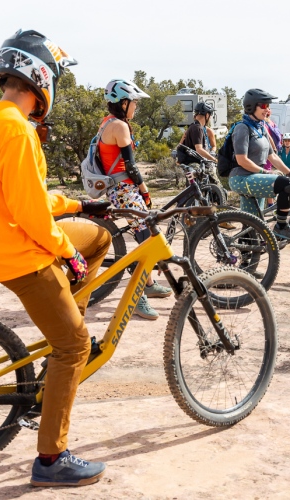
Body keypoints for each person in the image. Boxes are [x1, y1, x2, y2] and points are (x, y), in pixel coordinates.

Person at [0, 29, 110, 486]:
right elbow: (28, 213)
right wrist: (65, 251)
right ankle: (51, 460)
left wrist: (77, 206)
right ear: (41, 75)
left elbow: (25, 197)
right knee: (75, 345)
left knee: (99, 239)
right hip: (19, 252)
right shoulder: (18, 129)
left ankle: (62, 327)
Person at [101, 79, 172, 320]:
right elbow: (131, 165)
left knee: (147, 236)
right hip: (124, 189)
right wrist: (145, 190)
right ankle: (137, 294)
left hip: (119, 188)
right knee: (145, 239)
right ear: (122, 103)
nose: (136, 107)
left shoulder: (107, 122)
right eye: (134, 103)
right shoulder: (120, 126)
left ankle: (149, 284)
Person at [228, 88, 290, 240]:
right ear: (251, 106)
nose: (267, 110)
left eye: (268, 106)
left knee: (252, 227)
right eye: (263, 106)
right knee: (286, 185)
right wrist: (265, 172)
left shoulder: (260, 128)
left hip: (253, 178)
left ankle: (245, 258)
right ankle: (281, 226)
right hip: (242, 178)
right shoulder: (242, 128)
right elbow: (242, 160)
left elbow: (272, 156)